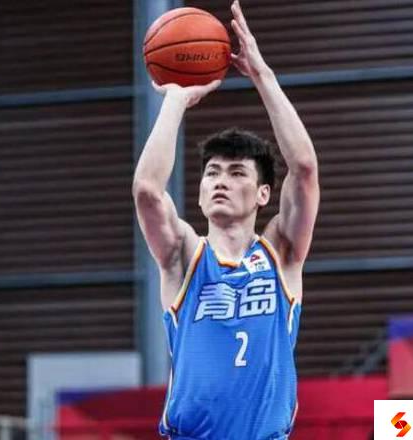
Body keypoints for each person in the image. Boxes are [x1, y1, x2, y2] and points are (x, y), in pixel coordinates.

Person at [132, 1, 319, 438]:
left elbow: (305, 168)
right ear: (199, 193)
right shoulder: (183, 257)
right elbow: (147, 190)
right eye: (212, 173)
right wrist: (176, 100)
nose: (220, 181)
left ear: (263, 194)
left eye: (236, 173)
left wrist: (262, 76)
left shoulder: (281, 254)